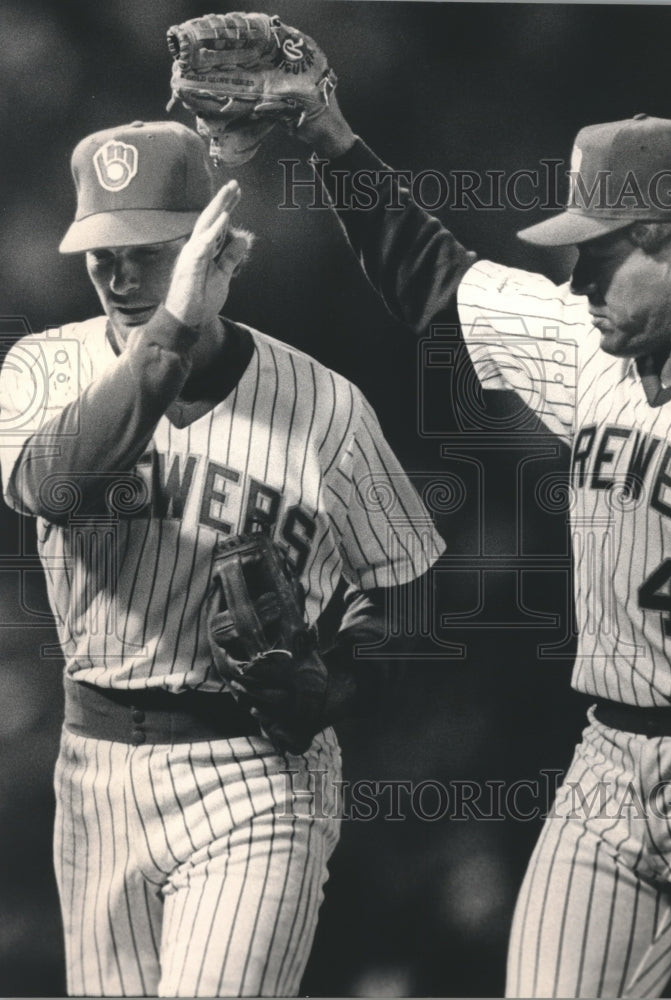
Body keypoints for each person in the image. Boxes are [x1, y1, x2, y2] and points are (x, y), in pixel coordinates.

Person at [274, 73, 671, 997]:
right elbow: (433, 279)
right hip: (608, 756)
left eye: (602, 253)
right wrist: (330, 138)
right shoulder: (590, 342)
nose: (579, 278)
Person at [0, 120, 444, 997]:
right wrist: (171, 322)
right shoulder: (41, 367)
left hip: (259, 771)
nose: (119, 276)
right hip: (95, 770)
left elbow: (405, 584)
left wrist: (341, 676)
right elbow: (53, 487)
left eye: (147, 250)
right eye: (100, 253)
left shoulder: (323, 406)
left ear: (224, 248)